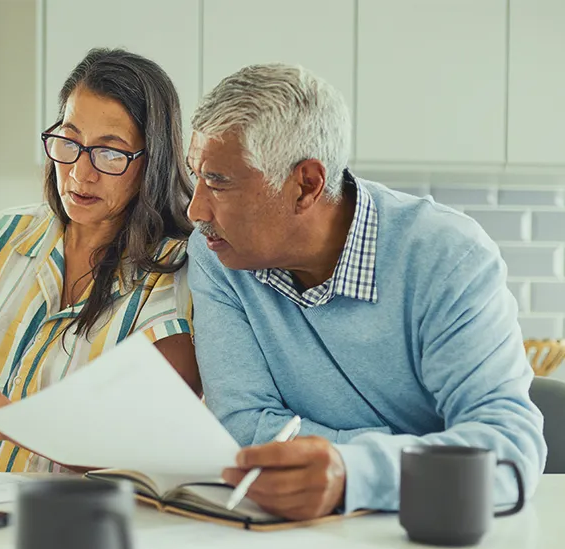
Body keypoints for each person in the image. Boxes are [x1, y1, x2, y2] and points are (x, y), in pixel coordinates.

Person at [185, 63, 547, 520]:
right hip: (295, 539)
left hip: (433, 536)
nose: (196, 208)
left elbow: (507, 451)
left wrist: (352, 473)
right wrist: (410, 460)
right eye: (195, 175)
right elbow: (244, 429)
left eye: (218, 182)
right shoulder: (217, 253)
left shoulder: (448, 256)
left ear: (306, 186)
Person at [0, 48, 200, 473]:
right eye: (69, 142)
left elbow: (144, 446)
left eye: (110, 154)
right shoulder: (4, 235)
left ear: (152, 162)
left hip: (66, 522)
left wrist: (8, 424)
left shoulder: (179, 280)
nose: (79, 173)